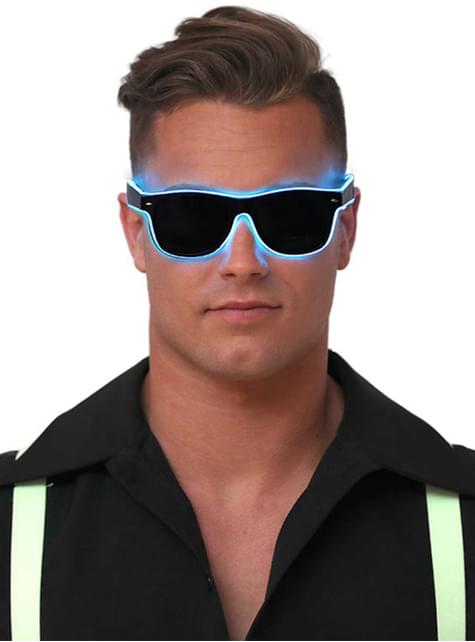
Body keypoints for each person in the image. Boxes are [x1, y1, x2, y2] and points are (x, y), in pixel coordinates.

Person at [1, 5, 474, 641]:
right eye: (193, 217)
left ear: (346, 229)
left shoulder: (464, 525)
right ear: (136, 234)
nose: (244, 262)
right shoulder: (11, 528)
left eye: (291, 214)